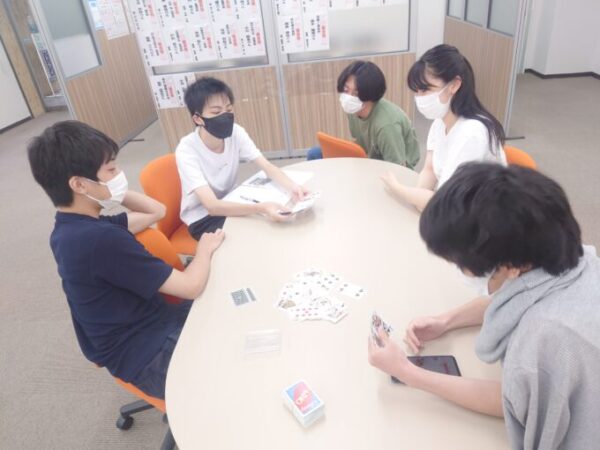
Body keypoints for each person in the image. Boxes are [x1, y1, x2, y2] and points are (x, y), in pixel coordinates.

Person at [368, 162, 600, 449]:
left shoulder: (542, 342)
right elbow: (516, 294)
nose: (461, 271)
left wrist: (406, 371)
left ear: (510, 266)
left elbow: (510, 401)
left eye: (461, 265)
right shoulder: (572, 256)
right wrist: (446, 320)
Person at [28, 120, 225, 399]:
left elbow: (156, 211)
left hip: (149, 323)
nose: (120, 174)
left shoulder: (69, 227)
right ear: (79, 184)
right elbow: (190, 287)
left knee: (230, 309)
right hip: (146, 351)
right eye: (111, 170)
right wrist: (203, 250)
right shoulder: (99, 239)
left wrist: (114, 191)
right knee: (235, 368)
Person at [177, 77, 309, 240]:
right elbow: (212, 206)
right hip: (203, 218)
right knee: (261, 232)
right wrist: (261, 208)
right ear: (198, 118)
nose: (225, 116)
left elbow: (267, 166)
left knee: (275, 222)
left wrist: (293, 187)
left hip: (232, 200)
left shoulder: (236, 132)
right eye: (216, 112)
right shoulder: (187, 149)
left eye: (229, 109)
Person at [381, 45, 507, 212]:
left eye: (425, 89)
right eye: (417, 91)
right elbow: (430, 169)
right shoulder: (440, 122)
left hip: (482, 216)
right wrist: (416, 198)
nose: (419, 98)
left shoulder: (473, 133)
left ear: (454, 85)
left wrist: (400, 190)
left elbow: (445, 203)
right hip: (456, 207)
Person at [306, 60, 420, 168]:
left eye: (356, 93)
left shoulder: (386, 126)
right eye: (346, 90)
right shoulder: (354, 109)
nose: (349, 97)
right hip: (368, 158)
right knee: (315, 154)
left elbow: (397, 168)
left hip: (391, 167)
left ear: (369, 95)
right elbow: (359, 144)